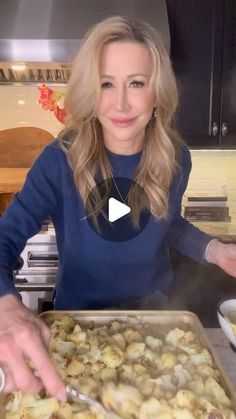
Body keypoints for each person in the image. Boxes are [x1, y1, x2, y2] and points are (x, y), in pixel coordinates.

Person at [0, 15, 236, 401]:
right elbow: (5, 237)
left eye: (136, 84)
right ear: (91, 92)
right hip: (74, 324)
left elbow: (164, 222)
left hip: (155, 322)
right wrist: (5, 305)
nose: (121, 102)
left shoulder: (175, 157)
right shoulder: (60, 160)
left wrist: (215, 249)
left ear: (157, 92)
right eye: (106, 84)